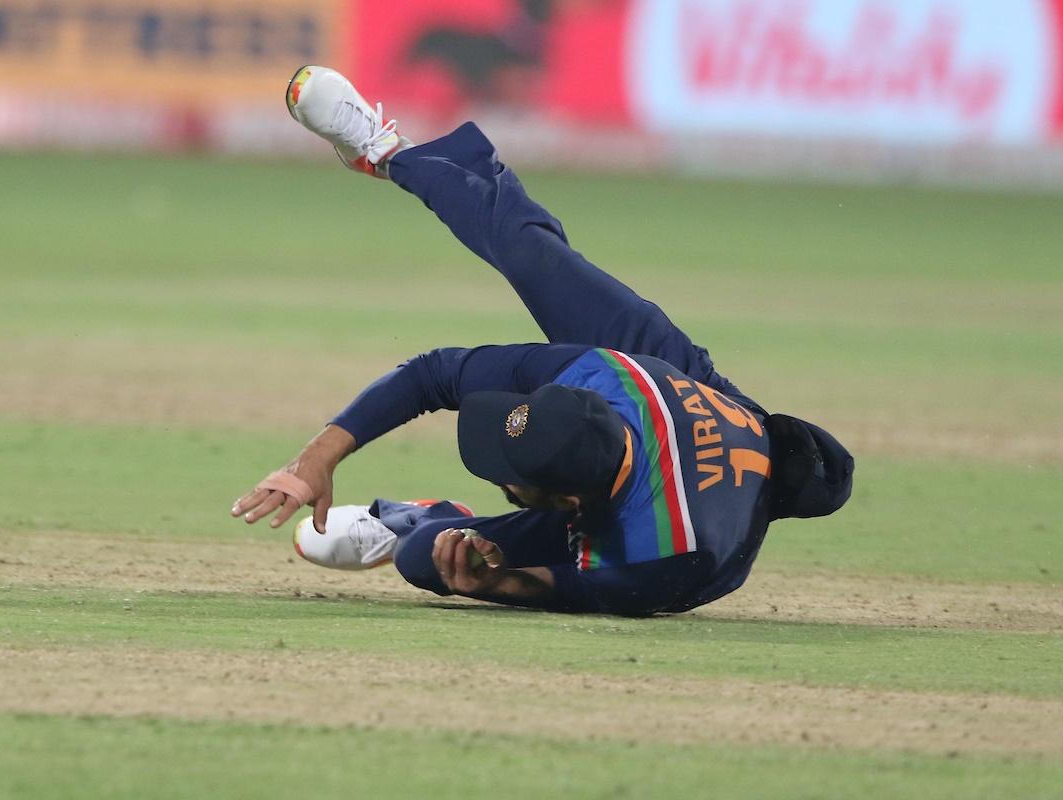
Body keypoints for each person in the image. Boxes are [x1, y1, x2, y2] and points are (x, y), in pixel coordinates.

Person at [231, 66, 854, 616]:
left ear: (566, 506)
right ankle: (385, 148)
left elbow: (549, 588)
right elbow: (434, 374)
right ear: (570, 391)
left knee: (426, 560)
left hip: (693, 521)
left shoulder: (657, 559)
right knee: (534, 259)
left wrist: (488, 581)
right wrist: (317, 458)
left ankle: (409, 519)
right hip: (678, 388)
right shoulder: (605, 374)